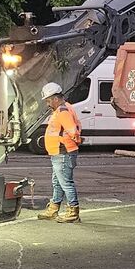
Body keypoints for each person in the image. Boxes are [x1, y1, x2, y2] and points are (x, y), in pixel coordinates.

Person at [36, 81, 82, 223]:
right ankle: (53, 209)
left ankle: (73, 212)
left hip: (63, 153)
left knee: (65, 183)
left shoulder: (62, 111)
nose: (48, 104)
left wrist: (67, 140)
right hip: (60, 153)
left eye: (49, 101)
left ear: (56, 98)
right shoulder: (65, 108)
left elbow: (73, 131)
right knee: (58, 182)